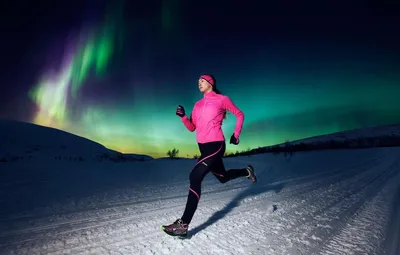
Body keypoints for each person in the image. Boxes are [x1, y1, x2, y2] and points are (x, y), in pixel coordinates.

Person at [161, 74, 257, 237]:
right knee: (223, 177)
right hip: (204, 149)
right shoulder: (197, 105)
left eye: (202, 80)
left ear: (211, 83)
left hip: (216, 145)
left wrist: (236, 134)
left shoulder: (222, 99)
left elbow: (239, 114)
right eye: (198, 81)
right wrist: (183, 117)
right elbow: (192, 128)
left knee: (195, 176)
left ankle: (183, 224)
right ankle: (247, 172)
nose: (199, 82)